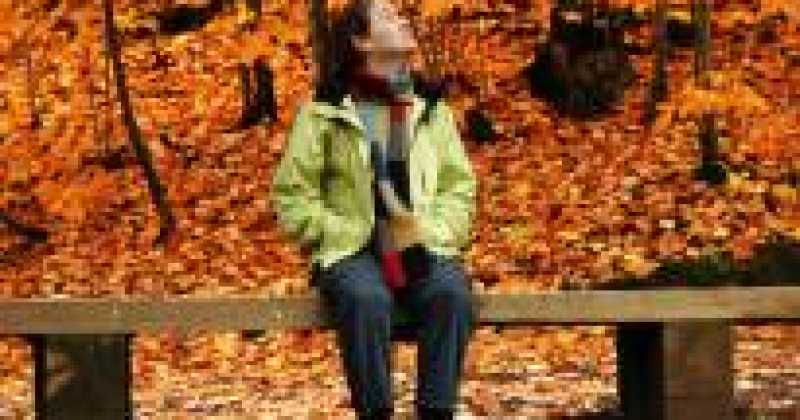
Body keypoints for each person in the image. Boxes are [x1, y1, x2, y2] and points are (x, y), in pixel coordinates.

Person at [271, 1, 478, 418]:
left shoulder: (430, 107)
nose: (402, 19)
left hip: (421, 244)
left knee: (450, 294)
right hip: (352, 249)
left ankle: (437, 412)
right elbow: (292, 197)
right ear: (361, 41)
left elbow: (459, 188)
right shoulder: (325, 110)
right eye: (388, 15)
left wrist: (431, 231)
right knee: (367, 299)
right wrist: (348, 233)